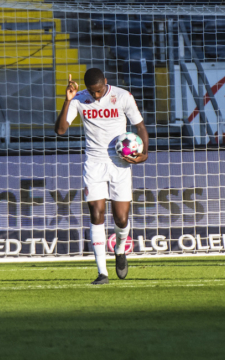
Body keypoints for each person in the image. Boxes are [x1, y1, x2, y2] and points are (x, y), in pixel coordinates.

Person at [55, 68, 149, 284]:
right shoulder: (79, 99)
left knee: (121, 219)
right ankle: (102, 273)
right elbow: (60, 130)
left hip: (120, 163)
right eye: (91, 92)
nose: (95, 96)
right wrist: (68, 100)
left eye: (98, 91)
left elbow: (140, 126)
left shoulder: (123, 96)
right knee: (96, 214)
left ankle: (119, 249)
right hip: (94, 163)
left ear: (105, 82)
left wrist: (144, 154)